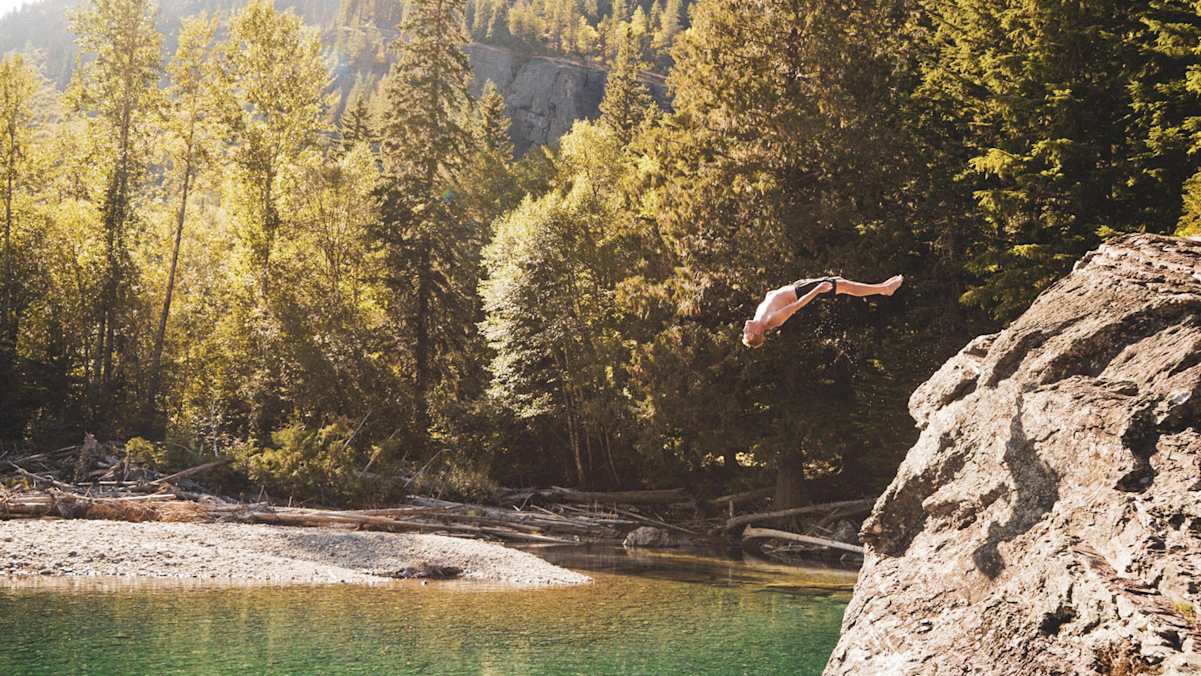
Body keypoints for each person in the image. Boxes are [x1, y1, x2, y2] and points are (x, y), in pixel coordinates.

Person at [742, 275, 903, 348]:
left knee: (840, 281)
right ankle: (884, 289)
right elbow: (798, 305)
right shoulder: (772, 320)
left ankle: (882, 287)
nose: (744, 329)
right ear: (758, 332)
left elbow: (771, 299)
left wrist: (774, 294)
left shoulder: (757, 319)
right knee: (843, 286)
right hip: (802, 292)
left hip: (798, 286)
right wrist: (817, 290)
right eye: (747, 332)